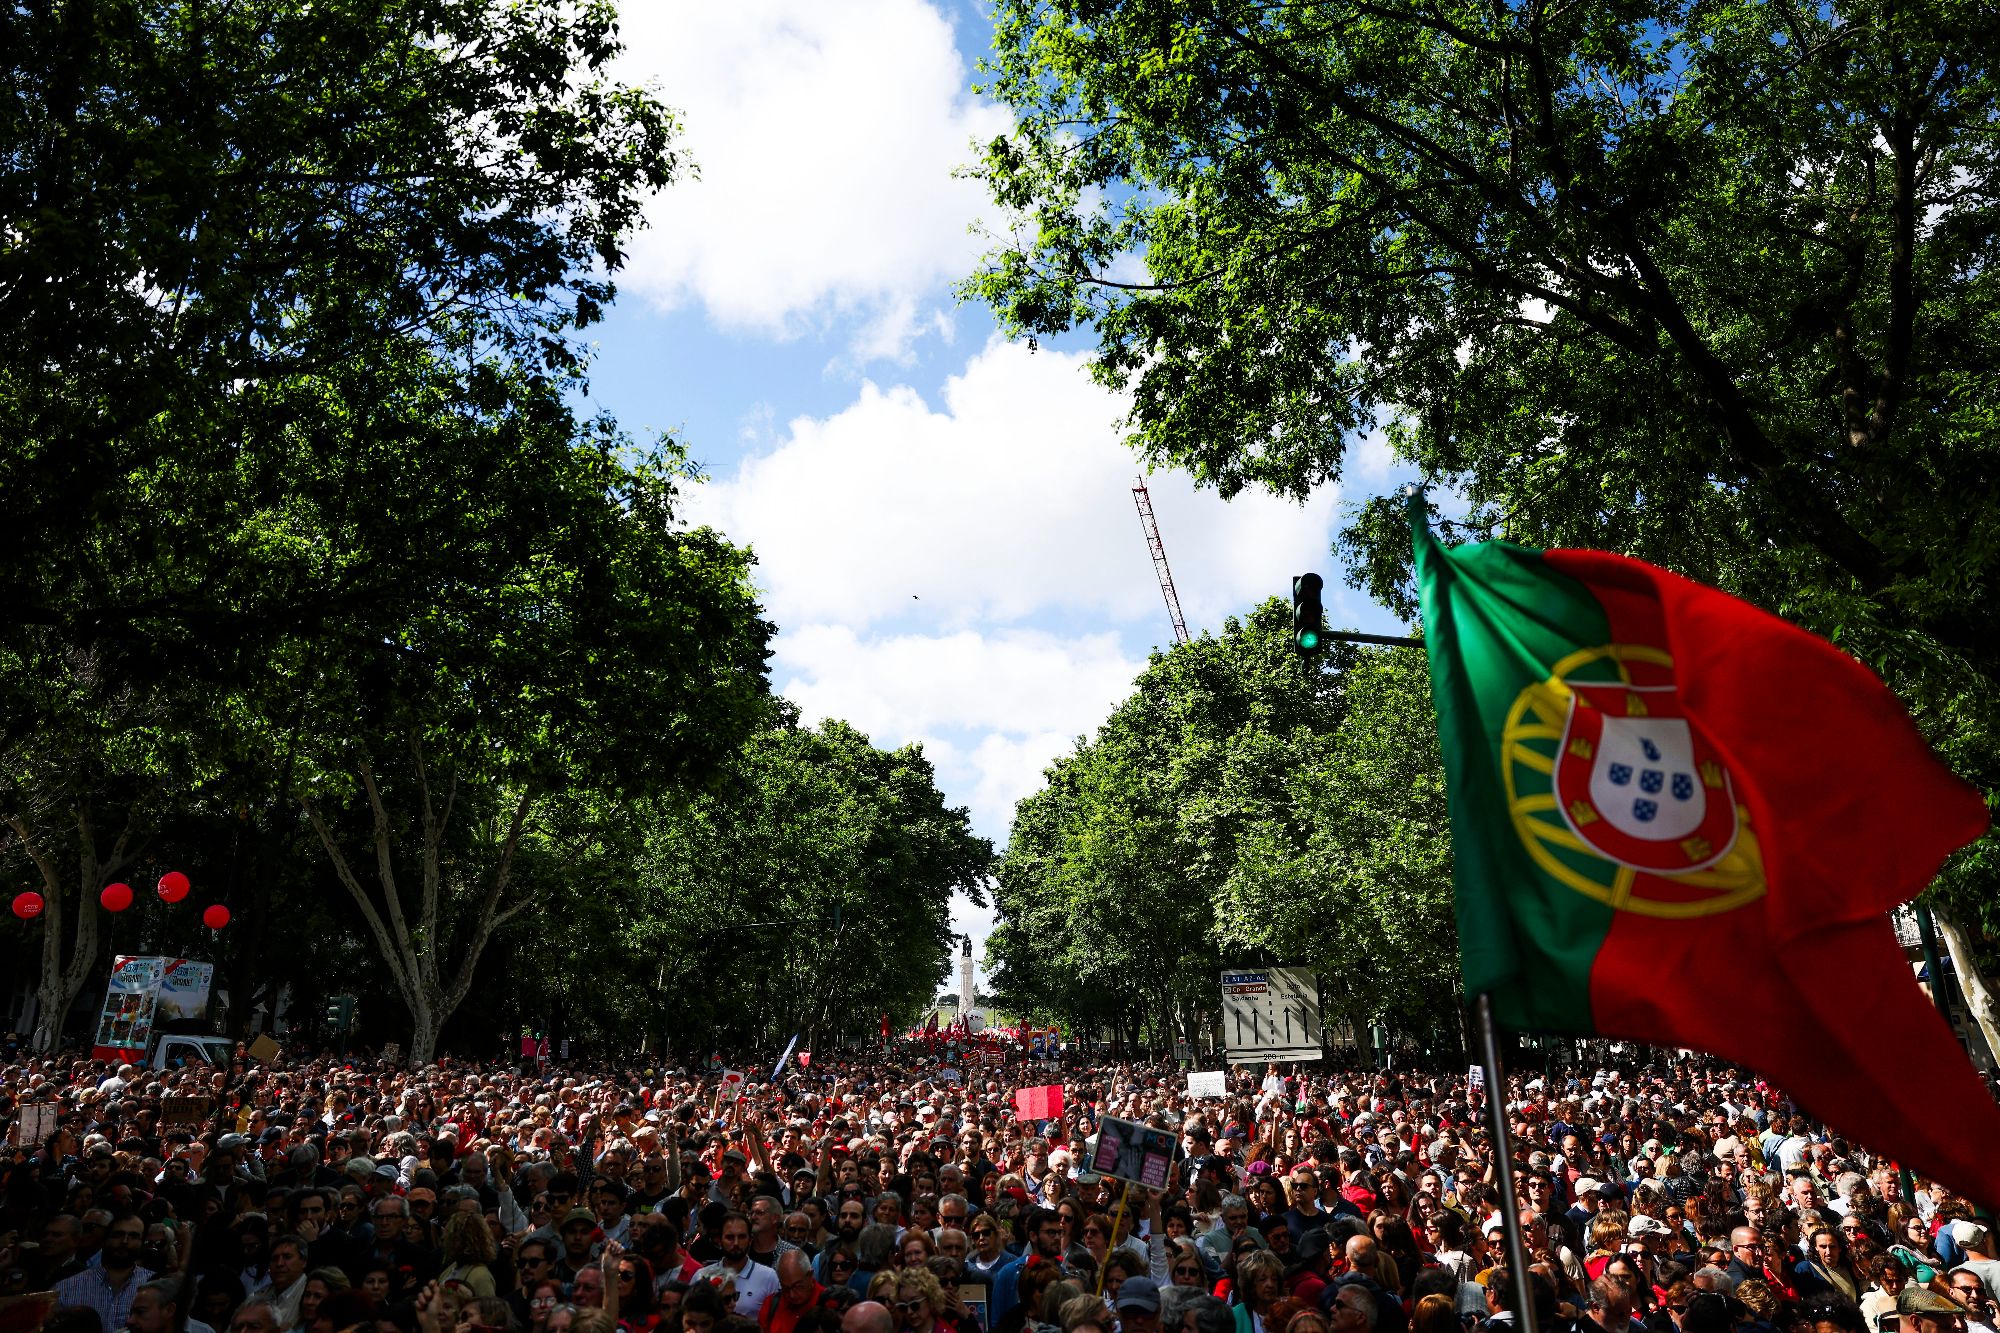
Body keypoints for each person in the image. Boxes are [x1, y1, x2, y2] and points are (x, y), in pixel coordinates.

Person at [60, 1213, 154, 1333]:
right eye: (118, 1235)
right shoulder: (67, 1288)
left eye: (133, 1236)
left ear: (142, 1243)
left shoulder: (155, 1284)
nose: (124, 1241)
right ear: (105, 1239)